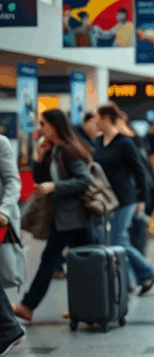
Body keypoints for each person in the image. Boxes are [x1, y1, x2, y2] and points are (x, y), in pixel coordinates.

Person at [13, 110, 94, 321]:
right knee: (84, 262)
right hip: (65, 216)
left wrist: (55, 186)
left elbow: (84, 180)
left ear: (55, 125)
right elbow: (41, 181)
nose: (39, 128)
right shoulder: (54, 150)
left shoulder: (68, 150)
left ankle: (28, 305)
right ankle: (85, 307)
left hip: (71, 216)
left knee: (50, 259)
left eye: (43, 124)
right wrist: (39, 158)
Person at [93, 103, 154, 296]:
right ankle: (130, 280)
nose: (95, 122)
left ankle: (149, 273)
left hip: (126, 199)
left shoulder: (125, 143)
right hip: (106, 200)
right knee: (114, 242)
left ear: (106, 119)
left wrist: (142, 199)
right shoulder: (97, 142)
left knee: (118, 240)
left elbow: (140, 171)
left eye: (97, 118)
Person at [0, 134, 25, 357]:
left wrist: (5, 210)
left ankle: (10, 329)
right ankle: (10, 328)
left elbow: (13, 181)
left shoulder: (1, 143)